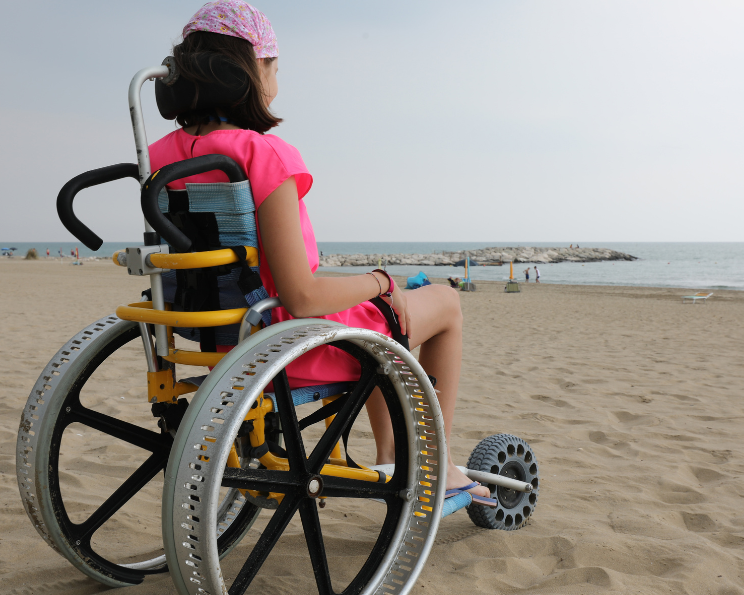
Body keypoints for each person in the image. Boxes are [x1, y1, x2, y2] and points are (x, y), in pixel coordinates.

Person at [148, 1, 491, 504]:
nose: (278, 83)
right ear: (251, 69)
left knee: (377, 318)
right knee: (440, 304)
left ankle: (395, 451)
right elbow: (303, 295)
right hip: (284, 345)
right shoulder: (262, 154)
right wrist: (382, 281)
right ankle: (428, 460)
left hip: (215, 340)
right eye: (275, 68)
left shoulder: (157, 156)